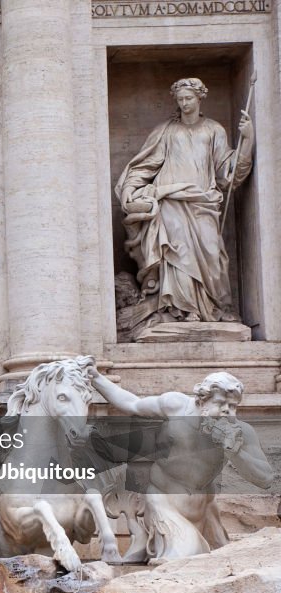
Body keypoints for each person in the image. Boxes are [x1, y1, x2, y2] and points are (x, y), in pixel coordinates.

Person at [89, 368, 273, 562]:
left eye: (233, 406)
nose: (227, 411)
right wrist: (97, 378)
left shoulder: (240, 433)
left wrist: (235, 451)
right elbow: (132, 404)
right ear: (202, 399)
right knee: (184, 559)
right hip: (163, 502)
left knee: (220, 563)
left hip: (204, 510)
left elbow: (265, 479)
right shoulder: (175, 406)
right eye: (220, 403)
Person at [115, 78, 253, 326]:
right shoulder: (166, 131)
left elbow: (229, 173)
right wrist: (129, 186)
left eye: (189, 98)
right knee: (177, 253)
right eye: (180, 99)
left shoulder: (214, 130)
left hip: (203, 201)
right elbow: (145, 164)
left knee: (213, 252)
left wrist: (248, 141)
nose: (184, 103)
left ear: (200, 98)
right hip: (170, 200)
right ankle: (181, 309)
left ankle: (218, 307)